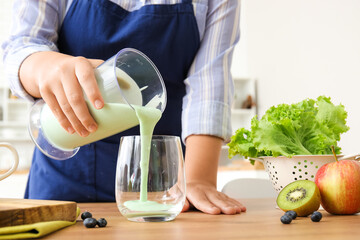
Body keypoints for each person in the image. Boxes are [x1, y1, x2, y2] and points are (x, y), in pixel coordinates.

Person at [2, 0, 246, 215]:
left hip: (164, 182)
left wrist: (198, 179)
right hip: (65, 165)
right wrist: (45, 66)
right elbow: (23, 43)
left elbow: (209, 82)